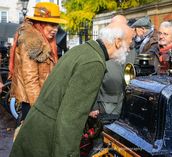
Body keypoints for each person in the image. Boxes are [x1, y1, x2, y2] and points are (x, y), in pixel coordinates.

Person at [9, 17, 134, 157]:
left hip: (36, 132)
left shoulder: (83, 50)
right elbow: (70, 120)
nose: (130, 49)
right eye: (129, 43)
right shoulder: (94, 62)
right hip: (46, 140)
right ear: (117, 42)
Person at [9, 2, 67, 123]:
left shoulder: (45, 39)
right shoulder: (31, 42)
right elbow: (30, 80)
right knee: (33, 139)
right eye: (52, 24)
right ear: (40, 24)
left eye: (57, 25)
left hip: (42, 99)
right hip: (34, 103)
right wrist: (39, 109)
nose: (56, 29)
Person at [89, 15, 128, 119]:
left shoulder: (130, 47)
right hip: (106, 106)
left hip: (125, 104)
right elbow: (92, 81)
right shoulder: (103, 47)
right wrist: (93, 106)